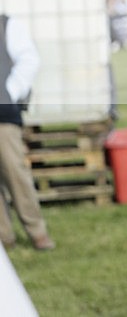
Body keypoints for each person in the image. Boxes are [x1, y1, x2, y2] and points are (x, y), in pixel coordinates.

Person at [0, 15, 55, 251]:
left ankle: (37, 232)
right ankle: (4, 239)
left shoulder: (7, 25)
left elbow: (29, 60)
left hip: (3, 115)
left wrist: (8, 92)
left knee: (15, 173)